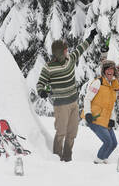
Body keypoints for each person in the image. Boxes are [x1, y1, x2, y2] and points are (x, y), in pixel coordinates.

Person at [36, 29, 97, 162]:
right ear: (59, 53)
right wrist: (41, 91)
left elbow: (81, 48)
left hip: (73, 103)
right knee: (61, 133)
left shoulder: (70, 59)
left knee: (72, 133)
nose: (67, 51)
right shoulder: (49, 67)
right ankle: (57, 159)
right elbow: (40, 83)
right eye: (65, 49)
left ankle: (67, 157)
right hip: (61, 106)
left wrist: (90, 37)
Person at [82, 60, 119, 164]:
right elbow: (87, 99)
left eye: (112, 69)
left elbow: (112, 105)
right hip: (95, 118)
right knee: (108, 142)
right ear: (104, 71)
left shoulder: (113, 86)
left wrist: (112, 119)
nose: (110, 71)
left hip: (106, 119)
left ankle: (103, 159)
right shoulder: (98, 82)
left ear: (114, 71)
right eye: (107, 69)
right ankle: (97, 162)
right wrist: (88, 113)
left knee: (114, 144)